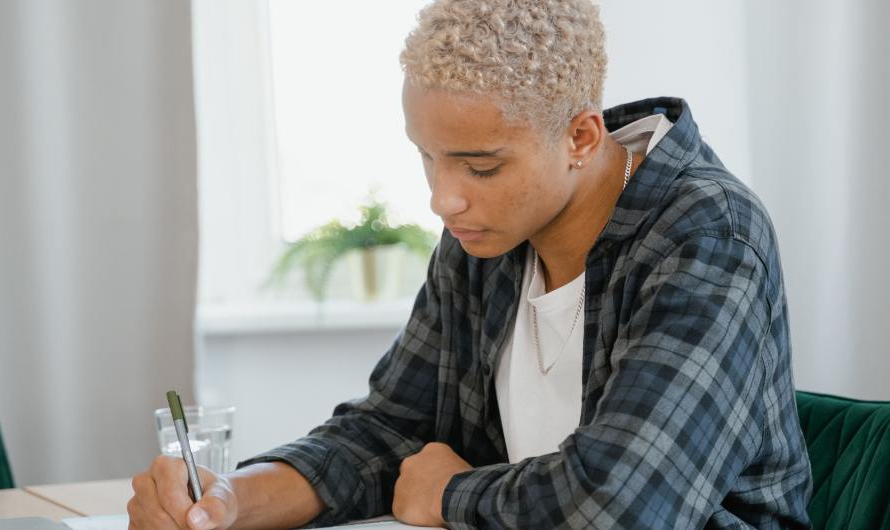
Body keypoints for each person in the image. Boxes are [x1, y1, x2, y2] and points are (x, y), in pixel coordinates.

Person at [127, 0, 812, 528]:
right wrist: (228, 501)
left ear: (580, 135)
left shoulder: (708, 239)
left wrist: (451, 493)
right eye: (427, 154)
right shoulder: (485, 235)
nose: (442, 198)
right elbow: (388, 431)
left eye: (480, 166)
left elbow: (622, 508)